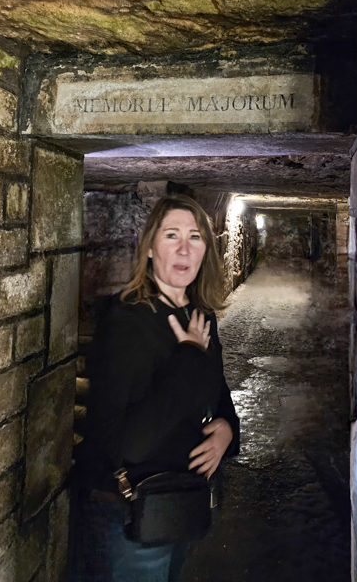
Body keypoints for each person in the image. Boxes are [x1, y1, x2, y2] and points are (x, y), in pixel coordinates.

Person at [72, 194, 240, 582]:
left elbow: (217, 397)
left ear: (206, 251)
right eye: (172, 235)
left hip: (177, 503)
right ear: (149, 248)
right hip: (127, 516)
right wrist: (189, 359)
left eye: (195, 237)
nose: (184, 248)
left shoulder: (199, 316)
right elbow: (128, 443)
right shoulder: (127, 321)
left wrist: (227, 432)